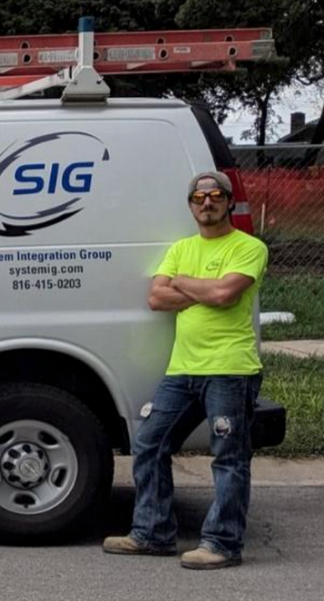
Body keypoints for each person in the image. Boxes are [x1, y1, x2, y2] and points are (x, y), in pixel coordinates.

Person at [103, 172, 268, 570]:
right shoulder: (181, 248)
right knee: (149, 443)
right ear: (191, 205)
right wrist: (202, 287)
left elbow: (226, 294)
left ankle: (223, 544)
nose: (206, 203)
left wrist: (186, 284)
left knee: (228, 457)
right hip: (183, 370)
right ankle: (153, 533)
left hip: (230, 369)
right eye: (198, 197)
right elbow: (157, 298)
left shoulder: (250, 247)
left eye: (214, 196)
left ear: (229, 202)